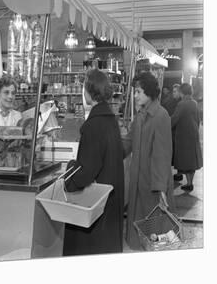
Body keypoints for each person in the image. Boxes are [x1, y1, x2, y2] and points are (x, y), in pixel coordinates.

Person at [63, 69, 124, 256]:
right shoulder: (110, 119)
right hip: (111, 196)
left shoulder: (93, 125)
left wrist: (69, 172)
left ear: (89, 91)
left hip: (97, 205)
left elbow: (86, 171)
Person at [123, 72, 175, 251]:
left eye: (138, 91)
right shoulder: (140, 116)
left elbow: (162, 154)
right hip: (138, 181)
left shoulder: (161, 116)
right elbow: (127, 143)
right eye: (134, 92)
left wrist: (161, 188)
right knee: (141, 230)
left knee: (155, 232)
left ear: (149, 92)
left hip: (153, 185)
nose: (135, 95)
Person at [171, 83, 202, 191]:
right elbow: (198, 119)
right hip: (193, 134)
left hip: (184, 136)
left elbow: (174, 119)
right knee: (191, 160)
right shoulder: (194, 103)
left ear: (182, 92)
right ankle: (190, 183)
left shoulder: (182, 104)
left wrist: (164, 123)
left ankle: (189, 184)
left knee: (186, 160)